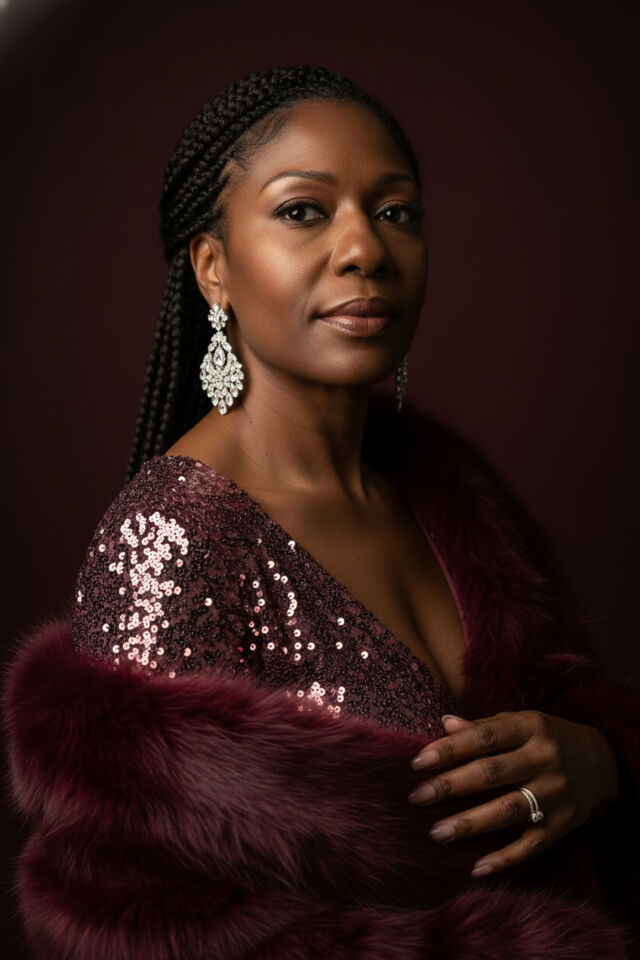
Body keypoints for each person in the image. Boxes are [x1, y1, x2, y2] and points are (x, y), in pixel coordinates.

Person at [4, 64, 639, 960]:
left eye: (396, 211)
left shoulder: (451, 491)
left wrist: (602, 755)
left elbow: (563, 717)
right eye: (304, 210)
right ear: (213, 267)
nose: (366, 249)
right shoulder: (176, 535)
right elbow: (140, 927)